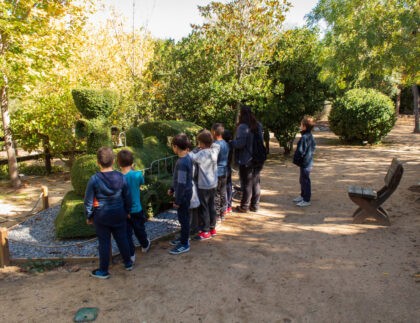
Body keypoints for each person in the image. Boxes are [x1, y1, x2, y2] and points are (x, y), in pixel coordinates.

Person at [84, 147, 133, 279]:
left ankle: (103, 270)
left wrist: (89, 216)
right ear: (113, 161)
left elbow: (88, 201)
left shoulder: (94, 179)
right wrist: (127, 211)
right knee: (122, 238)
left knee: (104, 242)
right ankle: (128, 263)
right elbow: (127, 197)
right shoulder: (121, 177)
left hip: (102, 216)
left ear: (98, 162)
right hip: (119, 213)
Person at [117, 149, 151, 264]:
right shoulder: (137, 174)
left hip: (123, 211)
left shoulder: (117, 177)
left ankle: (131, 254)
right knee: (139, 229)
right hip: (137, 208)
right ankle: (145, 244)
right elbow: (142, 182)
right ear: (132, 162)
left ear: (118, 163)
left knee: (127, 234)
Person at [231, 104, 265, 213]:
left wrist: (231, 143)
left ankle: (244, 206)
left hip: (247, 159)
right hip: (258, 158)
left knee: (246, 183)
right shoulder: (258, 125)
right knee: (256, 182)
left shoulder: (243, 127)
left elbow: (240, 144)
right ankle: (255, 205)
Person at [189, 129, 220, 239]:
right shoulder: (215, 151)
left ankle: (205, 231)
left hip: (203, 185)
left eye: (199, 142)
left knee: (204, 208)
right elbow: (216, 145)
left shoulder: (201, 154)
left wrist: (192, 150)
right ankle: (212, 228)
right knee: (212, 206)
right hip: (213, 184)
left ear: (201, 143)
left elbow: (191, 156)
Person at [168, 133, 193, 255]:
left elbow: (182, 183)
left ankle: (184, 243)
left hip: (183, 194)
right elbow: (178, 179)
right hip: (184, 192)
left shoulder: (182, 162)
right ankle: (184, 237)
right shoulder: (186, 158)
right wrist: (172, 188)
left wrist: (177, 200)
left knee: (183, 219)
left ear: (176, 146)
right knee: (183, 218)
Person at [292, 115, 316, 207]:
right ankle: (302, 195)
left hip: (306, 163)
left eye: (301, 125)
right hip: (307, 162)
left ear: (305, 126)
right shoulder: (308, 135)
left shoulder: (305, 137)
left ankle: (306, 199)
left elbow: (300, 151)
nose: (300, 126)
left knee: (305, 180)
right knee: (302, 180)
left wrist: (297, 159)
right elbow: (313, 147)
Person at [211, 123, 230, 221]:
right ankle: (223, 212)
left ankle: (217, 214)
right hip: (225, 170)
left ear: (214, 132)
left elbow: (213, 159)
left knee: (216, 194)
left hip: (217, 172)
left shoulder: (215, 145)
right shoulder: (226, 144)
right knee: (223, 192)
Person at [222, 129, 234, 214]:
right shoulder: (231, 145)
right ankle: (229, 206)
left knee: (224, 188)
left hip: (224, 168)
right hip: (229, 167)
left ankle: (225, 207)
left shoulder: (223, 145)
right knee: (229, 186)